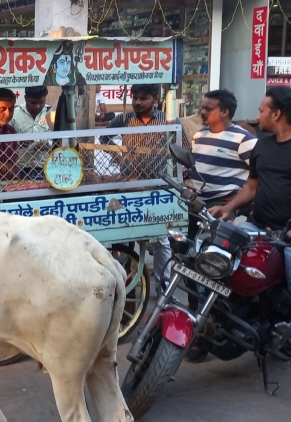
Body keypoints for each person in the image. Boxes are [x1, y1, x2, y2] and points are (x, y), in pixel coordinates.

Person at [103, 83, 190, 294]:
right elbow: (104, 138)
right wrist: (117, 155)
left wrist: (181, 171)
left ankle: (163, 287)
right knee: (124, 236)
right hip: (128, 185)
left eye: (143, 98)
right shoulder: (124, 119)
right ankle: (123, 284)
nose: (137, 102)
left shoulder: (168, 120)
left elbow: (184, 147)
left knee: (161, 238)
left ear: (155, 99)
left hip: (157, 185)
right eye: (135, 97)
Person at [210, 87, 291, 293]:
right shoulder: (262, 146)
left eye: (261, 110)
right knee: (216, 258)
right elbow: (252, 186)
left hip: (288, 238)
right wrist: (228, 207)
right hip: (257, 228)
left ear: (276, 114)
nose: (257, 116)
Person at [188, 89, 257, 237]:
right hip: (195, 202)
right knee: (187, 249)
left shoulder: (244, 139)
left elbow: (264, 173)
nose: (202, 112)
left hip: (218, 205)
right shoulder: (199, 135)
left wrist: (239, 198)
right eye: (202, 108)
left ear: (225, 112)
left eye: (208, 109)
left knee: (213, 252)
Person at [9, 85, 52, 179]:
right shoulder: (14, 114)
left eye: (41, 102)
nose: (37, 106)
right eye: (33, 102)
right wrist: (18, 143)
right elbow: (4, 142)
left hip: (47, 169)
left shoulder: (52, 114)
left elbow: (62, 141)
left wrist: (47, 144)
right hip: (19, 170)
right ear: (25, 98)